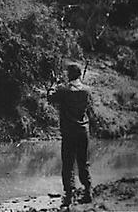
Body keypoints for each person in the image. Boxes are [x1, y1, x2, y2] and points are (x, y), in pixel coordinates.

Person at [48, 63, 93, 207]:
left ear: (69, 75)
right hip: (83, 131)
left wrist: (53, 85)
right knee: (82, 162)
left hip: (69, 132)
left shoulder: (64, 90)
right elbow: (88, 107)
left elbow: (50, 98)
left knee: (68, 164)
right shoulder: (87, 90)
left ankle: (69, 195)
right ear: (80, 75)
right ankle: (87, 191)